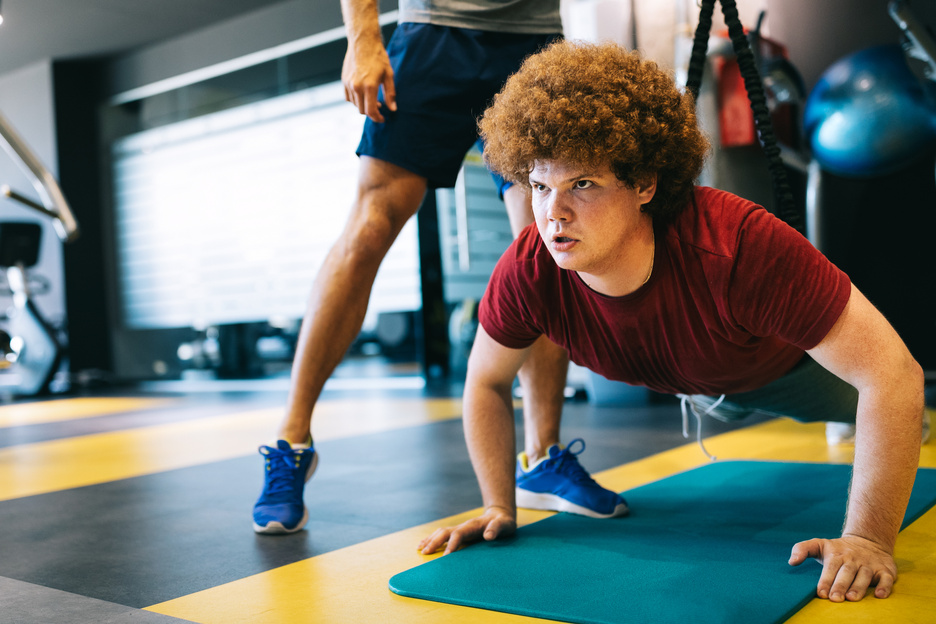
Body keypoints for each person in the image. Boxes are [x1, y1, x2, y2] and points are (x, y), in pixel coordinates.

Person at [418, 40, 927, 604]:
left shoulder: (738, 246)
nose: (553, 213)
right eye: (540, 186)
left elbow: (893, 374)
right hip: (691, 375)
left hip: (789, 372)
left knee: (897, 410)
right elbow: (486, 382)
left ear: (644, 184)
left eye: (582, 184)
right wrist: (497, 505)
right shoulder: (530, 269)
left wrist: (868, 537)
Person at [251, 1, 628, 535]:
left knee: (547, 247)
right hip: (435, 33)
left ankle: (542, 456)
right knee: (369, 229)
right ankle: (292, 442)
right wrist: (362, 37)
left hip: (531, 41)